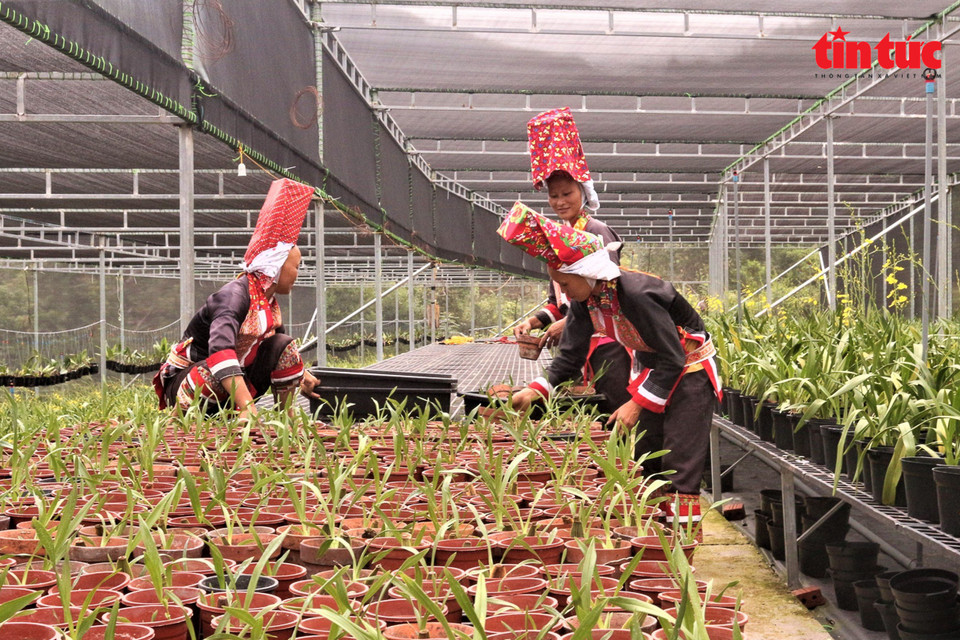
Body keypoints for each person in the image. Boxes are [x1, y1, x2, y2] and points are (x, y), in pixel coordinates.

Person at [501, 203, 722, 520]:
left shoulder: (637, 294)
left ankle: (681, 551)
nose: (562, 293)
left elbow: (674, 357)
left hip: (690, 371)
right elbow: (571, 354)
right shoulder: (585, 300)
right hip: (652, 371)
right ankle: (655, 540)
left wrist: (636, 404)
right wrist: (537, 389)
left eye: (564, 283)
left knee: (679, 462)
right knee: (648, 455)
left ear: (585, 272)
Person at [153, 178, 321, 420]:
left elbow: (278, 347)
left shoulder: (267, 303)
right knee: (215, 368)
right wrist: (248, 408)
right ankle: (202, 417)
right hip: (189, 383)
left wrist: (301, 376)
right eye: (295, 266)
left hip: (229, 381)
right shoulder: (233, 297)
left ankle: (286, 418)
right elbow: (220, 351)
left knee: (284, 345)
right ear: (276, 268)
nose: (297, 273)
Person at [512, 108, 632, 415]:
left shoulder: (597, 233)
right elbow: (559, 303)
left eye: (567, 193)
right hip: (577, 351)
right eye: (554, 196)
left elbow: (609, 295)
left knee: (614, 414)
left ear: (583, 191)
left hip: (607, 347)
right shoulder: (558, 238)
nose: (561, 201)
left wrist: (569, 324)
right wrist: (534, 322)